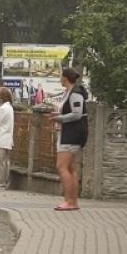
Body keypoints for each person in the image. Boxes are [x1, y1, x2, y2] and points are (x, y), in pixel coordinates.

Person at [48, 66, 89, 211]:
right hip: (69, 132)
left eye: (60, 76)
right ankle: (73, 201)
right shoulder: (69, 92)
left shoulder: (75, 94)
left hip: (72, 133)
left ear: (65, 78)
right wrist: (58, 115)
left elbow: (77, 114)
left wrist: (59, 118)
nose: (60, 79)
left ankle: (68, 201)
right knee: (70, 168)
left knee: (62, 166)